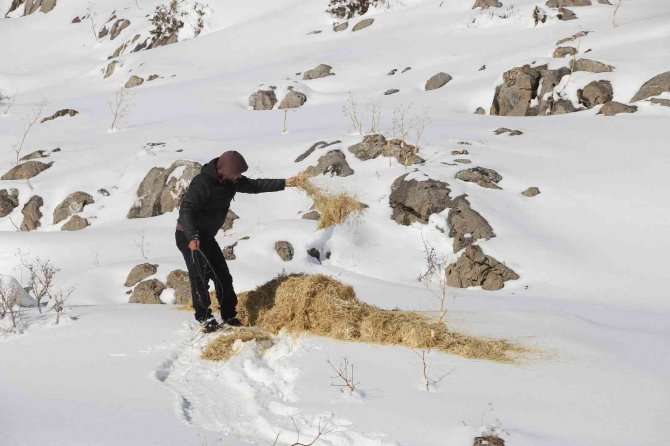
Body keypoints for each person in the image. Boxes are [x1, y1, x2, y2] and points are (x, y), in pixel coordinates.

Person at [176, 150, 298, 332]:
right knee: (199, 275)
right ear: (225, 170)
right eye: (237, 173)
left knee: (222, 274)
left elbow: (256, 186)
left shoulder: (230, 181)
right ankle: (205, 318)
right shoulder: (202, 183)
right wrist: (192, 236)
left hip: (206, 236)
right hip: (188, 235)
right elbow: (186, 210)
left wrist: (285, 183)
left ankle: (228, 314)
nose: (240, 177)